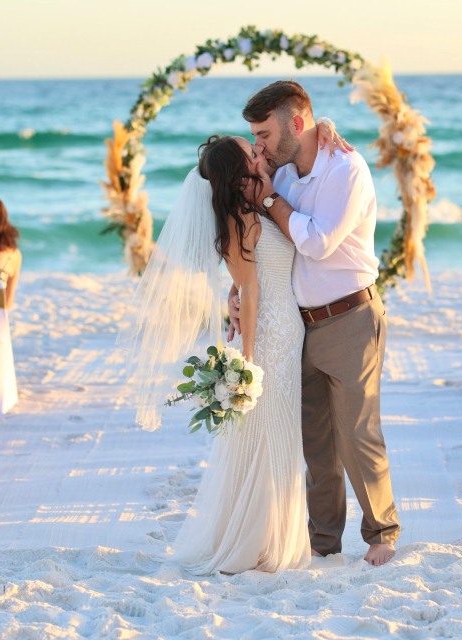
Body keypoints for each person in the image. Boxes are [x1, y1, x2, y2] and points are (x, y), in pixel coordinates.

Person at [122, 134, 311, 575]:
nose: (258, 152)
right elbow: (250, 285)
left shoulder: (259, 205)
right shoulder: (238, 218)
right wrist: (246, 361)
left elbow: (248, 279)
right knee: (264, 432)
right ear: (237, 168)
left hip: (285, 327)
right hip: (269, 335)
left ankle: (271, 539)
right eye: (251, 151)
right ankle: (255, 542)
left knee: (278, 432)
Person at [243, 80, 399, 566]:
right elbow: (264, 236)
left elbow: (316, 241)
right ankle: (324, 541)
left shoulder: (346, 169)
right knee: (317, 445)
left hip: (351, 315)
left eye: (264, 133)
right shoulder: (284, 172)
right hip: (301, 324)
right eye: (255, 135)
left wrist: (272, 202)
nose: (260, 145)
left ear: (297, 122)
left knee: (358, 433)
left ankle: (381, 532)